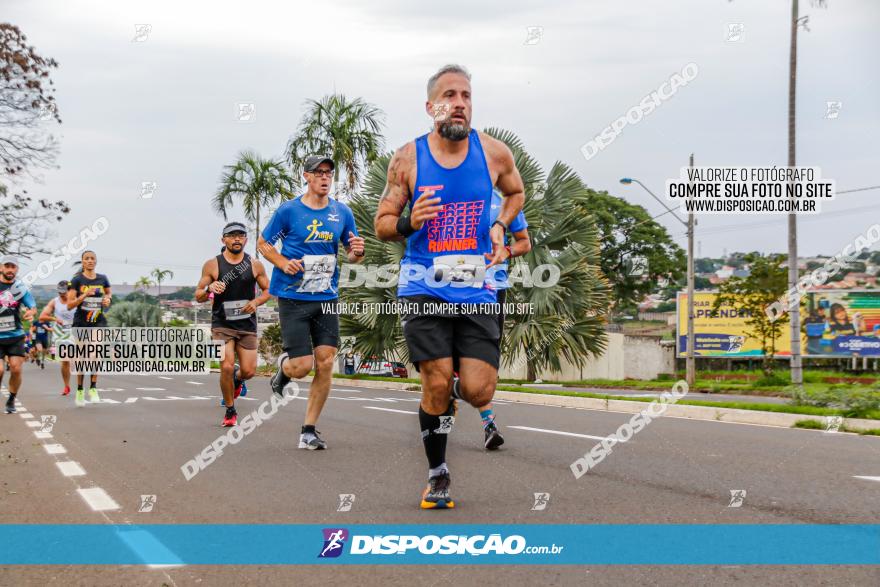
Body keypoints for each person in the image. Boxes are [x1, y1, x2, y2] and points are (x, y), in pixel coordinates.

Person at [374, 64, 525, 508]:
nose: (460, 103)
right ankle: (438, 473)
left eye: (466, 95)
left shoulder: (495, 154)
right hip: (424, 286)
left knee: (479, 390)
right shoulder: (407, 158)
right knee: (436, 386)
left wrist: (499, 225)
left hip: (478, 288)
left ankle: (456, 393)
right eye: (449, 96)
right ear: (430, 107)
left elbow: (516, 194)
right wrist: (408, 222)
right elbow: (382, 224)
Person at [259, 155, 366, 450]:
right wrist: (282, 262)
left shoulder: (341, 213)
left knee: (327, 362)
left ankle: (309, 429)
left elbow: (353, 253)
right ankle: (284, 368)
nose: (324, 177)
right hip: (294, 297)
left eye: (329, 173)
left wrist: (358, 250)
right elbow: (264, 243)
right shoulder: (289, 211)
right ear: (306, 176)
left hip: (327, 297)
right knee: (302, 367)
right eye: (318, 172)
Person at [460, 189, 531, 450]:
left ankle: (486, 421)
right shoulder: (452, 193)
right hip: (453, 288)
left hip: (492, 291)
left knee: (485, 363)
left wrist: (507, 252)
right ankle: (484, 421)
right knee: (449, 359)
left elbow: (525, 242)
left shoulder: (504, 203)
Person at [195, 222, 270, 427]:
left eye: (241, 235)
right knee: (226, 366)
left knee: (249, 371)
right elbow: (199, 294)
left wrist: (255, 302)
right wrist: (210, 287)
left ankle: (238, 380)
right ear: (223, 240)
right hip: (222, 324)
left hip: (246, 325)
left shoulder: (255, 264)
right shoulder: (213, 264)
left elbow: (268, 291)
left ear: (245, 240)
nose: (236, 239)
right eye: (232, 235)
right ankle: (230, 410)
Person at [67, 251, 112, 407]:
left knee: (95, 353)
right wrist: (84, 295)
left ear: (96, 261)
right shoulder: (77, 280)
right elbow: (69, 304)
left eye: (93, 258)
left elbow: (108, 294)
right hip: (81, 322)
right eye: (87, 258)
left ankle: (93, 388)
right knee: (81, 358)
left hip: (97, 321)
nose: (90, 261)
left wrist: (107, 301)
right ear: (82, 262)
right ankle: (80, 390)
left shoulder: (103, 279)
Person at [0, 257, 37, 414]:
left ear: (17, 269)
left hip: (16, 335)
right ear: (1, 268)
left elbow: (33, 306)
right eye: (7, 266)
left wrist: (30, 312)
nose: (10, 269)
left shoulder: (20, 288)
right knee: (0, 370)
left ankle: (11, 399)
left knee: (15, 369)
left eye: (13, 267)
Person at [40, 281, 78, 395]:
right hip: (60, 332)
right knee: (65, 360)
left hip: (74, 330)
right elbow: (42, 317)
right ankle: (66, 386)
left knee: (73, 358)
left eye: (65, 292)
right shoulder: (54, 302)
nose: (62, 295)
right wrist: (55, 319)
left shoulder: (77, 300)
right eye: (60, 292)